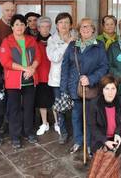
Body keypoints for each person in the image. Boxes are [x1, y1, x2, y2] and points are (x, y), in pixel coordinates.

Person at [60, 17, 109, 154]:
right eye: (83, 27)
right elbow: (65, 67)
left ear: (93, 29)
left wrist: (91, 78)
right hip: (74, 87)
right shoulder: (72, 45)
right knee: (76, 116)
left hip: (91, 88)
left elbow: (104, 66)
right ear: (79, 30)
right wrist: (64, 89)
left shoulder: (99, 45)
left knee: (89, 117)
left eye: (88, 27)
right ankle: (78, 141)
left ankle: (89, 144)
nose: (86, 29)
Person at [0, 14, 41, 148]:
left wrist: (32, 69)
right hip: (13, 81)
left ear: (25, 26)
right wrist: (25, 68)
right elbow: (5, 61)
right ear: (12, 26)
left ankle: (28, 132)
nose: (19, 27)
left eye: (22, 24)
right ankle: (15, 136)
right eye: (16, 24)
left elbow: (38, 56)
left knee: (29, 108)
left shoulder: (31, 40)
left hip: (30, 79)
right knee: (14, 109)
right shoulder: (7, 41)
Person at [89, 74, 121, 176]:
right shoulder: (94, 104)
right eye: (107, 88)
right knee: (102, 168)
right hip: (102, 136)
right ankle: (105, 149)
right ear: (102, 90)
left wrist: (117, 132)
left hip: (118, 133)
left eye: (113, 88)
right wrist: (105, 140)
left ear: (117, 90)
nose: (110, 92)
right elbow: (92, 126)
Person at [47, 12, 76, 144]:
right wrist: (67, 44)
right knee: (61, 107)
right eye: (61, 22)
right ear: (57, 25)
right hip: (57, 80)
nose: (64, 25)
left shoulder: (76, 38)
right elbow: (54, 58)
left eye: (66, 22)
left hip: (74, 79)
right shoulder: (52, 40)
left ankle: (76, 132)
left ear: (70, 25)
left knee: (75, 106)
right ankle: (63, 132)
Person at [0, 1, 16, 135]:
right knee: (1, 100)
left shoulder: (17, 25)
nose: (10, 13)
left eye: (12, 10)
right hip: (0, 69)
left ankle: (11, 123)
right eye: (7, 10)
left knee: (13, 98)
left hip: (16, 68)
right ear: (2, 11)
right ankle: (0, 125)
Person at [35, 16, 58, 136]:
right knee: (42, 101)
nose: (45, 29)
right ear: (38, 28)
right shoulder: (34, 41)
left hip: (54, 75)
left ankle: (57, 123)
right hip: (40, 75)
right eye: (42, 26)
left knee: (55, 100)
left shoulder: (55, 40)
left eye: (47, 26)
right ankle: (44, 123)